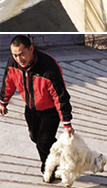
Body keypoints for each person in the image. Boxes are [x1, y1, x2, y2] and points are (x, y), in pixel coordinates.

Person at [0, 35, 74, 179]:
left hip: (50, 111)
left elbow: (60, 96)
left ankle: (49, 169)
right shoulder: (12, 64)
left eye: (22, 54)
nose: (19, 59)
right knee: (35, 137)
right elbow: (8, 83)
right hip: (31, 109)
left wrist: (67, 122)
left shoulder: (48, 68)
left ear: (31, 49)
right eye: (15, 55)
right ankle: (62, 154)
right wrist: (3, 102)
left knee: (43, 142)